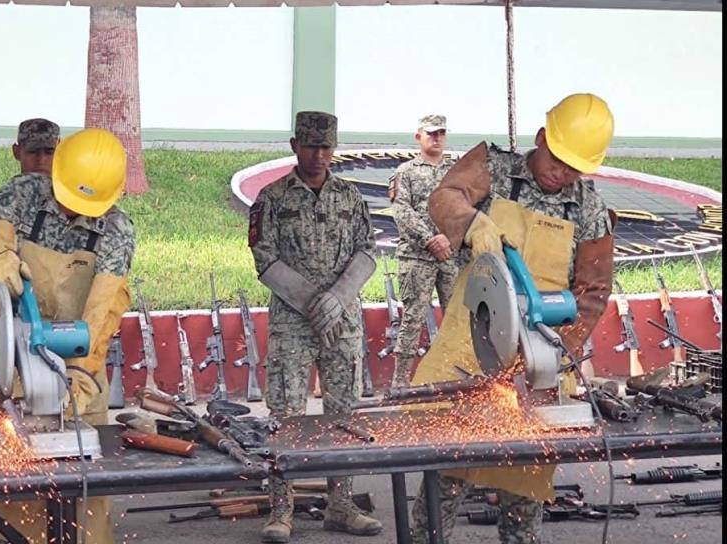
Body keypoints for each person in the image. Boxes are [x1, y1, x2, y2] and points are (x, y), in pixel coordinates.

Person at [411, 93, 617, 543]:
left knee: (523, 491)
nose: (561, 173)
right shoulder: (494, 167)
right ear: (541, 138)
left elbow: (594, 292)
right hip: (469, 349)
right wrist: (472, 221)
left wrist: (560, 354)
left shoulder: (589, 209)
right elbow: (443, 197)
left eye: (574, 167)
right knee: (441, 482)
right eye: (557, 159)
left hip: (537, 359)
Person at [0, 127, 136, 544]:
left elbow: (100, 315)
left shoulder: (117, 230)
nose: (73, 211)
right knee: (7, 481)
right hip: (14, 360)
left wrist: (79, 378)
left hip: (80, 365)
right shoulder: (19, 195)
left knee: (83, 488)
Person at [249, 111, 383, 543]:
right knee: (285, 414)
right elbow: (264, 260)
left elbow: (367, 252)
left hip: (342, 322)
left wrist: (338, 299)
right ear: (294, 146)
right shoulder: (271, 199)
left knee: (342, 415)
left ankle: (340, 506)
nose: (320, 154)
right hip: (293, 320)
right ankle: (281, 510)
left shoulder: (350, 197)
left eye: (326, 146)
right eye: (311, 146)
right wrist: (312, 302)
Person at [387, 114, 459, 387]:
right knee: (413, 320)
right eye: (431, 133)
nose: (437, 138)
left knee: (455, 319)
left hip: (451, 256)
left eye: (441, 133)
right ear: (419, 137)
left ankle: (454, 377)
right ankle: (401, 382)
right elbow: (402, 212)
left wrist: (450, 239)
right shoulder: (405, 172)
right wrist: (430, 239)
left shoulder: (455, 172)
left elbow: (466, 209)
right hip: (417, 258)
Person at [0, 118, 61, 245]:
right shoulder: (0, 204)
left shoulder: (71, 202)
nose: (41, 159)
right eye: (32, 152)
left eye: (49, 152)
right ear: (16, 152)